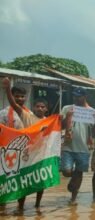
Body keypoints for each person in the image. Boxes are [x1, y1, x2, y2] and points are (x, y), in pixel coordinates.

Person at [2, 77, 48, 210]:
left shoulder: (49, 121)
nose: (40, 108)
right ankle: (20, 206)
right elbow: (14, 105)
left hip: (40, 155)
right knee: (23, 180)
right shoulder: (26, 115)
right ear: (34, 107)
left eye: (42, 107)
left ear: (46, 109)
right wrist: (7, 90)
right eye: (38, 106)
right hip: (22, 153)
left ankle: (37, 206)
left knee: (41, 182)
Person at [61, 87, 95, 205]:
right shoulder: (67, 108)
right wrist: (67, 117)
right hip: (68, 146)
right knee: (66, 171)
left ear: (84, 97)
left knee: (79, 173)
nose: (76, 98)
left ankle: (73, 199)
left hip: (84, 148)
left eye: (78, 96)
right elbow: (60, 126)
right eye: (74, 96)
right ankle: (72, 178)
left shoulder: (92, 111)